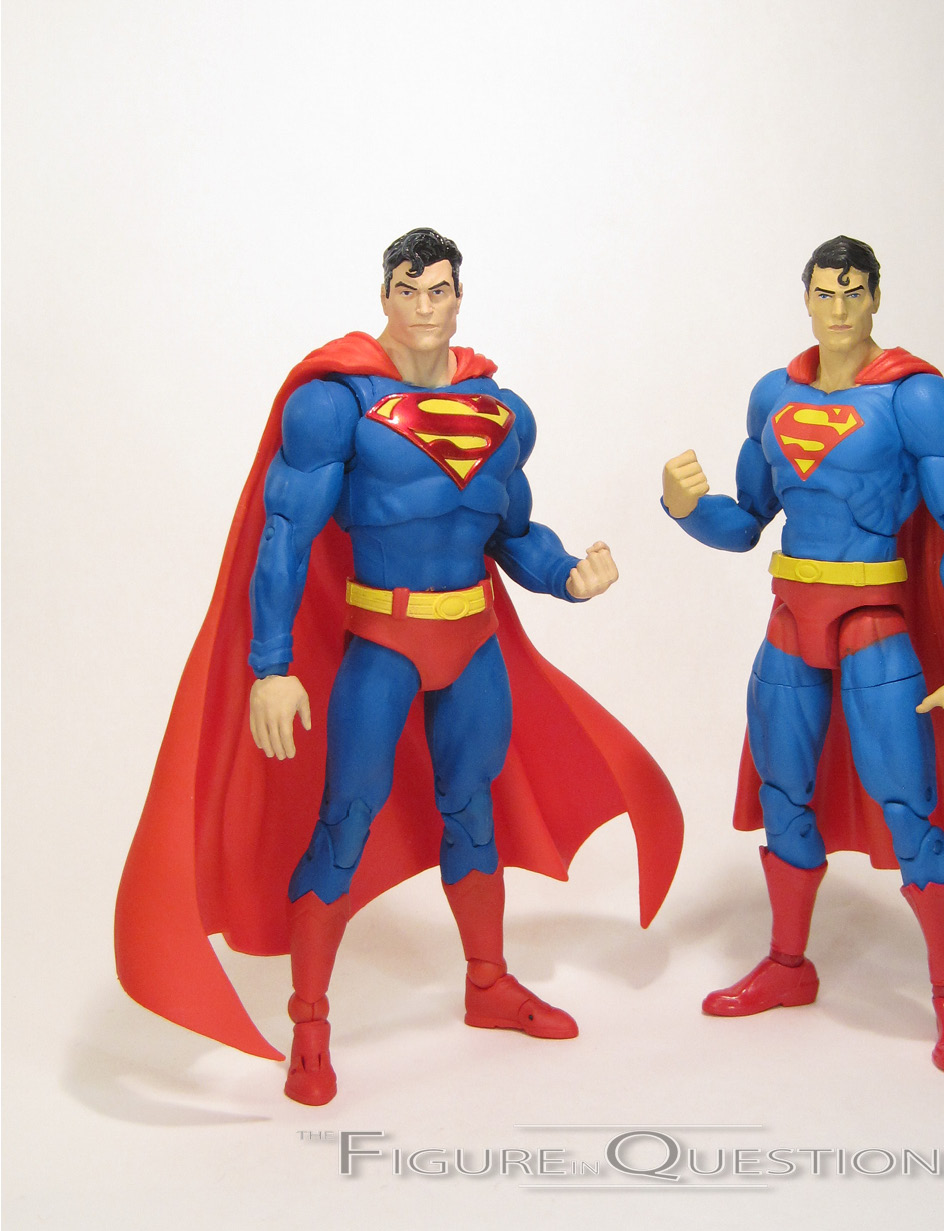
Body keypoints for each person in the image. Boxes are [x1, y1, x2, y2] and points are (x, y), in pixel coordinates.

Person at [116, 228, 682, 1105]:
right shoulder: (335, 403)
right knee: (343, 823)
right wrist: (271, 664)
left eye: (439, 290)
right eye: (409, 289)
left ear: (460, 298)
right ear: (384, 296)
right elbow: (286, 535)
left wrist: (568, 575)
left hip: (472, 644)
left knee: (474, 814)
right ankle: (310, 1025)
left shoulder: (502, 411)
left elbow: (513, 532)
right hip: (382, 644)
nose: (424, 306)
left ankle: (487, 982)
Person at [661, 235, 944, 1073]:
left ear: (875, 296)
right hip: (792, 618)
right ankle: (788, 964)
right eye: (824, 292)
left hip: (872, 619)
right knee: (784, 794)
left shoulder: (918, 399)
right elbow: (746, 523)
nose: (838, 307)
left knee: (908, 805)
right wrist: (684, 508)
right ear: (806, 298)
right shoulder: (773, 396)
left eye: (853, 291)